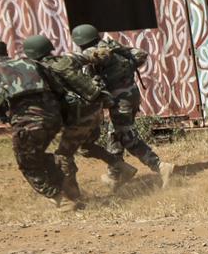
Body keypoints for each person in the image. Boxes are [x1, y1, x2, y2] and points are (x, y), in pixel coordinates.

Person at [29, 38, 135, 202]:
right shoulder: (67, 59)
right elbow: (94, 55)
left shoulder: (40, 70)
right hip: (95, 111)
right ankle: (122, 166)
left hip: (78, 117)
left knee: (63, 155)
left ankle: (73, 198)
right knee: (86, 147)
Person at [70, 24, 174, 190]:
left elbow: (90, 82)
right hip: (131, 95)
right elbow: (139, 55)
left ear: (80, 42)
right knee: (115, 133)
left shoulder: (95, 55)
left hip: (120, 101)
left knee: (127, 136)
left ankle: (160, 166)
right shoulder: (113, 46)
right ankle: (116, 174)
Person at [0, 35, 78, 210]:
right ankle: (70, 188)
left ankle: (60, 197)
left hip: (28, 124)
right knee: (37, 155)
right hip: (54, 119)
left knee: (28, 164)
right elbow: (59, 89)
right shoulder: (32, 63)